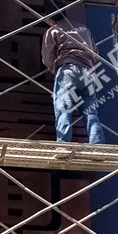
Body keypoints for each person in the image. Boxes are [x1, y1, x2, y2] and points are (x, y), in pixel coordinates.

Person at [41, 9, 107, 145]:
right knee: (91, 112)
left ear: (49, 18)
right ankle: (97, 143)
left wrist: (55, 69)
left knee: (64, 110)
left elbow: (47, 56)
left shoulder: (53, 30)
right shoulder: (84, 29)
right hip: (88, 73)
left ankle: (63, 145)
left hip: (68, 71)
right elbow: (95, 53)